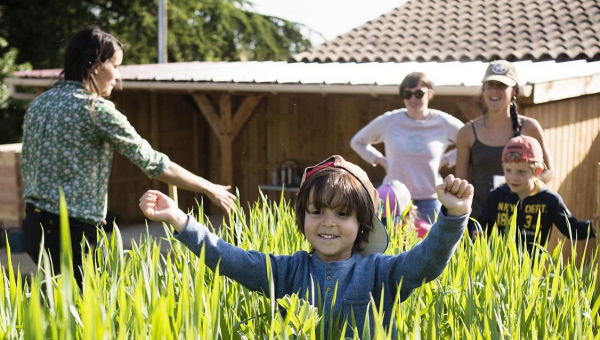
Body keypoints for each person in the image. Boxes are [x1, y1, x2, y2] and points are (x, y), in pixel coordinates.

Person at [139, 155, 473, 337]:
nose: (328, 222)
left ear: (362, 226)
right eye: (317, 211)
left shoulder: (380, 273)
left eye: (343, 214)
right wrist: (180, 221)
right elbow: (232, 260)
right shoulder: (288, 271)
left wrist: (453, 215)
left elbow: (427, 262)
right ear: (303, 218)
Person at [21, 26, 236, 285]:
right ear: (96, 64)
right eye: (116, 65)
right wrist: (208, 187)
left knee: (61, 310)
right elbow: (155, 163)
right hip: (73, 234)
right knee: (92, 315)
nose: (118, 77)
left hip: (34, 228)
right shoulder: (94, 110)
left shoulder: (39, 104)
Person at [351, 72, 464, 223]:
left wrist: (446, 160)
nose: (413, 99)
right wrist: (380, 160)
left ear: (430, 94)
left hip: (429, 199)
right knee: (391, 245)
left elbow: (468, 141)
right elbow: (357, 142)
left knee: (432, 245)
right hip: (393, 199)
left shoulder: (442, 122)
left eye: (418, 93)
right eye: (407, 94)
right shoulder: (390, 120)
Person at [456, 60, 554, 223]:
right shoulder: (467, 133)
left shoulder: (529, 127)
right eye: (490, 85)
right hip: (480, 223)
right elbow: (462, 184)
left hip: (522, 220)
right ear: (484, 90)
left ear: (514, 91)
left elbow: (548, 171)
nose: (495, 90)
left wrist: (520, 187)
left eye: (501, 86)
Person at [474, 136, 594, 254]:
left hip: (532, 269)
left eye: (521, 172)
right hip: (498, 268)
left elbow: (572, 229)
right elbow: (480, 225)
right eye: (508, 170)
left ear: (538, 171)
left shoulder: (550, 199)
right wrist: (476, 232)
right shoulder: (495, 196)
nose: (513, 177)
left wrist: (594, 226)